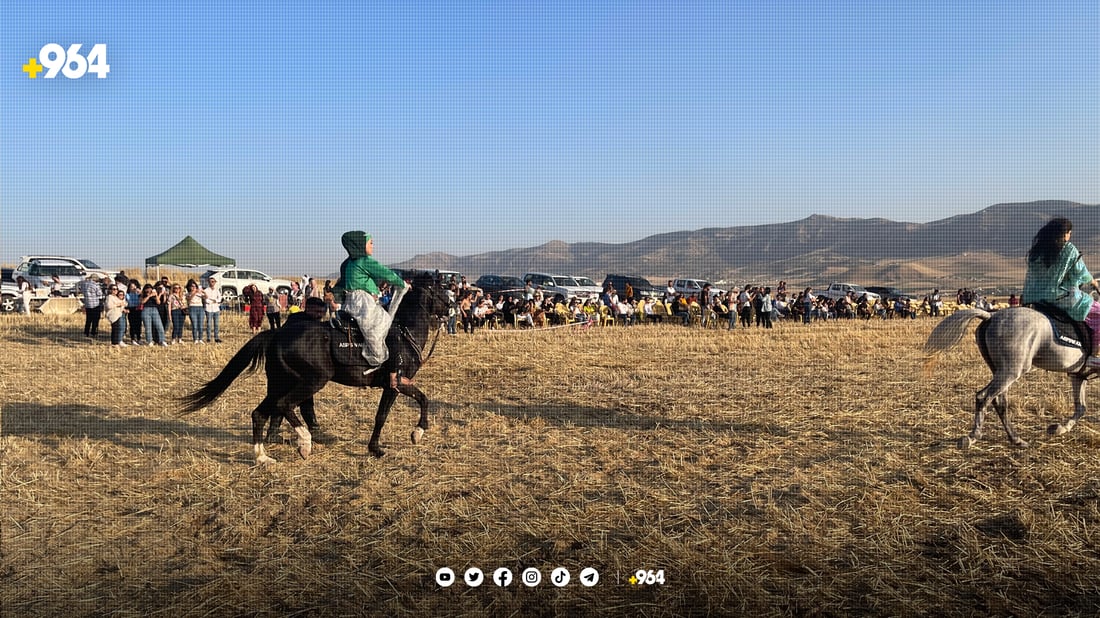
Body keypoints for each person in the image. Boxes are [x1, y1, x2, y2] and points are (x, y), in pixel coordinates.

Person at [332, 231, 409, 387]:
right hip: (364, 305)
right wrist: (403, 284)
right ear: (360, 245)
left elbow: (341, 286)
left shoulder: (346, 264)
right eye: (370, 242)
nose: (373, 245)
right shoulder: (365, 261)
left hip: (350, 304)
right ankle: (393, 376)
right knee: (391, 330)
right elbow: (387, 273)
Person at [1021, 217, 1100, 368]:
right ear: (1064, 234)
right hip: (1058, 297)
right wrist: (1094, 282)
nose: (1070, 236)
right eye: (1069, 233)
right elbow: (1080, 273)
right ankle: (1094, 356)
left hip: (1034, 297)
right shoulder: (1068, 249)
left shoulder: (1037, 251)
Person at [78, 274, 105, 338]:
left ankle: (86, 332)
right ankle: (94, 332)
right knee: (95, 319)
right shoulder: (95, 285)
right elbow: (99, 294)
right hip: (95, 304)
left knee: (88, 319)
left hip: (87, 304)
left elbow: (80, 290)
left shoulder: (84, 284)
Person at [203, 276, 223, 343]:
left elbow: (220, 298)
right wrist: (214, 300)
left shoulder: (217, 290)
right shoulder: (206, 290)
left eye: (213, 282)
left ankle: (216, 337)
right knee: (209, 324)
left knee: (216, 324)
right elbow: (206, 300)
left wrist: (215, 300)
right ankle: (208, 338)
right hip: (209, 309)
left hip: (216, 309)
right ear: (208, 282)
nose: (212, 283)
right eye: (211, 282)